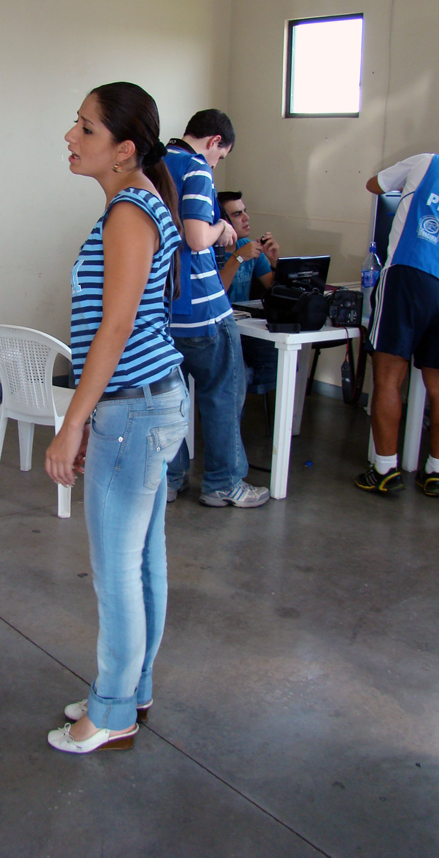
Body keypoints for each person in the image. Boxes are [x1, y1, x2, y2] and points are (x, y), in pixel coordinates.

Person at [44, 82, 189, 755]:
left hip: (132, 410)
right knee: (142, 561)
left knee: (117, 571)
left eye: (86, 128)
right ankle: (131, 689)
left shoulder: (129, 212)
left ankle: (111, 711)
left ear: (123, 149)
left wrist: (73, 422)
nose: (70, 137)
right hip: (147, 404)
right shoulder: (140, 202)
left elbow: (116, 326)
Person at [355, 154, 439, 497]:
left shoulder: (431, 161)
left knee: (388, 376)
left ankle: (385, 470)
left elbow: (375, 185)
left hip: (410, 273)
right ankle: (436, 472)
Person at [163, 110, 270, 508]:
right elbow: (195, 238)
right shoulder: (196, 168)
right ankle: (223, 483)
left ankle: (170, 479)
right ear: (214, 142)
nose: (215, 164)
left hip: (163, 307)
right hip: (204, 309)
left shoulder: (155, 164)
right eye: (220, 156)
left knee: (170, 399)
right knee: (223, 395)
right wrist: (222, 228)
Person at [217, 190, 281, 393]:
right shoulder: (209, 250)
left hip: (246, 328)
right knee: (239, 376)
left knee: (281, 362)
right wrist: (237, 258)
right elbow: (218, 293)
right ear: (222, 221)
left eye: (245, 211)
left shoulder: (249, 247)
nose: (246, 218)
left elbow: (273, 287)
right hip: (220, 331)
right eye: (237, 214)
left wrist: (275, 261)